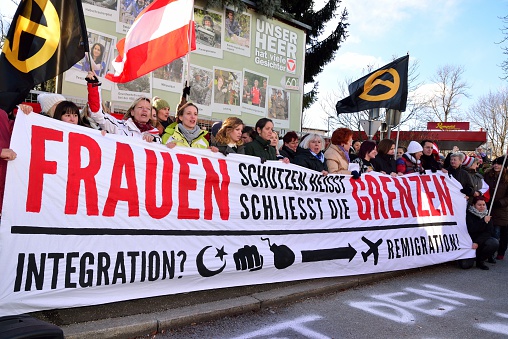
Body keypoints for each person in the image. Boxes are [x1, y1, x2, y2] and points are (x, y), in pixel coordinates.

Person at [86, 72, 160, 143]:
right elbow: (98, 115)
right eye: (140, 107)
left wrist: (153, 140)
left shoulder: (156, 136)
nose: (144, 110)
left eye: (148, 109)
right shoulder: (118, 126)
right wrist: (94, 85)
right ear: (132, 112)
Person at [463, 196, 499, 270]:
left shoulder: (487, 215)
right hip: (469, 241)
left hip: (480, 241)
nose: (482, 207)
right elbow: (471, 229)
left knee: (494, 242)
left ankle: (480, 261)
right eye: (479, 205)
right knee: (465, 265)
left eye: (483, 204)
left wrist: (477, 242)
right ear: (473, 205)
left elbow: (488, 232)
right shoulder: (468, 215)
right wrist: (483, 222)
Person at [483, 156, 508, 260]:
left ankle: (501, 252)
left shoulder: (506, 178)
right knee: (492, 232)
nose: (496, 165)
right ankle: (490, 252)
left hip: (503, 210)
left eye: (499, 164)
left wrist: (501, 202)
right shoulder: (487, 175)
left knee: (502, 233)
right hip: (490, 208)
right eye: (495, 163)